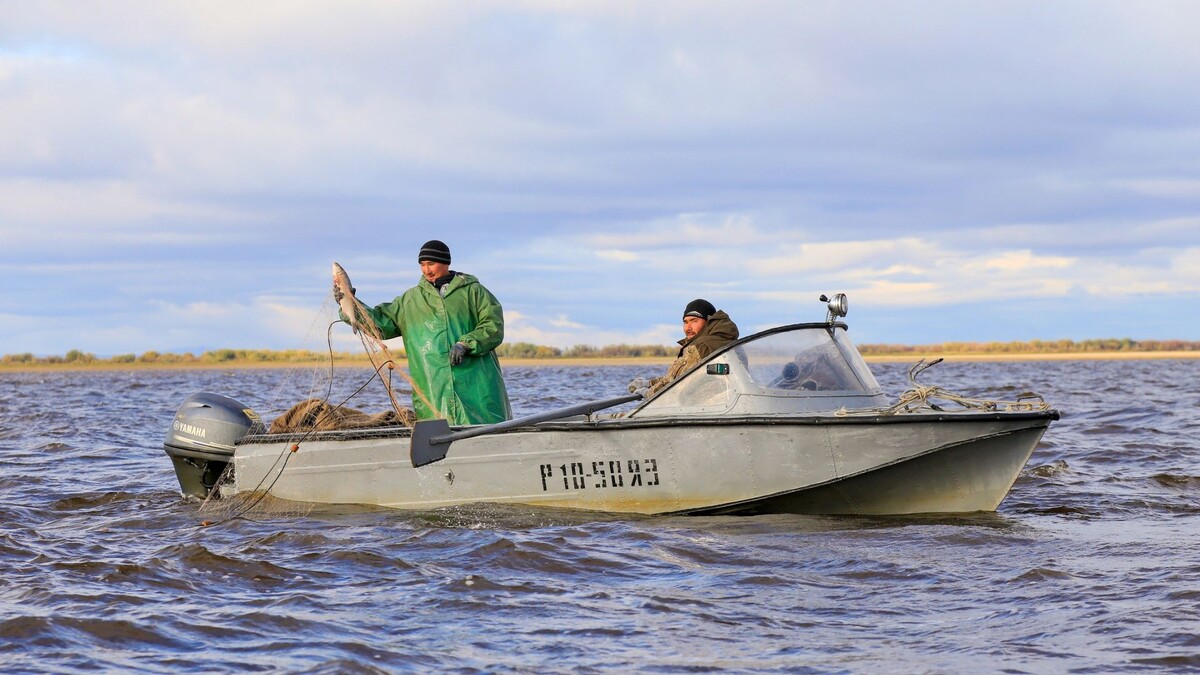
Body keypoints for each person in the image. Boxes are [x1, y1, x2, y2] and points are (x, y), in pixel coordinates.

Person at [335, 240, 512, 425]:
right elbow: (379, 323)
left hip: (477, 389)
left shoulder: (475, 292)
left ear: (446, 263)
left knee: (486, 426)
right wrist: (350, 304)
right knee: (436, 428)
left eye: (431, 264)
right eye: (422, 265)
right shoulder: (410, 300)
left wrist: (466, 343)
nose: (427, 270)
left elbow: (493, 326)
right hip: (432, 393)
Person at [629, 299, 739, 398]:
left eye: (694, 321)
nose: (688, 327)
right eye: (685, 322)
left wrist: (648, 394)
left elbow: (675, 385)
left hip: (701, 407)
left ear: (709, 322)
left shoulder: (701, 346)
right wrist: (649, 383)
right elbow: (678, 376)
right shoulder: (729, 343)